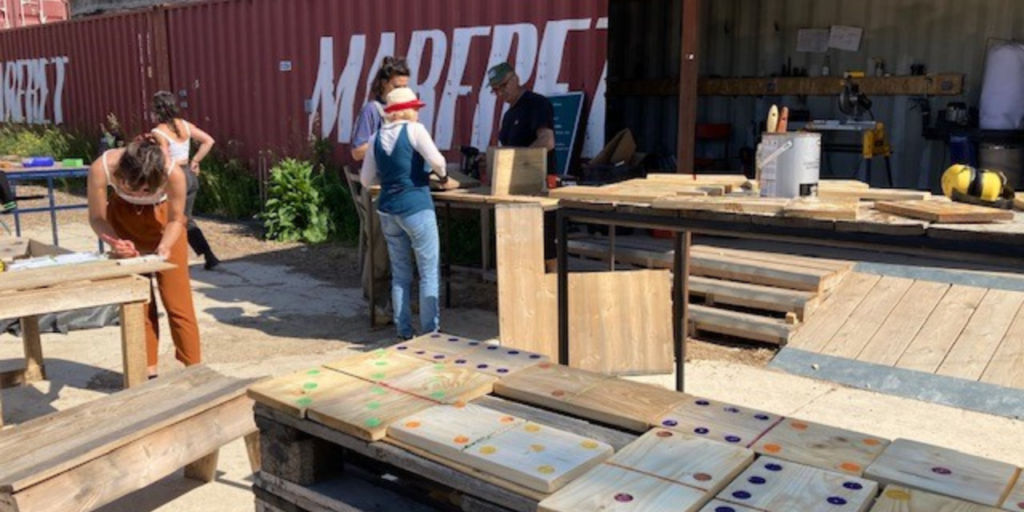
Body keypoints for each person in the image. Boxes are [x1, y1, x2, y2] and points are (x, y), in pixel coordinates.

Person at [87, 135, 201, 378]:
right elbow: (97, 218)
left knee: (177, 302)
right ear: (121, 175)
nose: (139, 194)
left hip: (165, 224)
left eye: (147, 190)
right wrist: (115, 242)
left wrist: (165, 246)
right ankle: (147, 371)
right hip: (123, 222)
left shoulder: (175, 174)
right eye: (132, 188)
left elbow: (177, 219)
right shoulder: (102, 167)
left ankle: (194, 369)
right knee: (138, 302)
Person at [360, 87, 447, 340]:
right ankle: (431, 332)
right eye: (415, 109)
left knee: (400, 274)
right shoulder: (414, 130)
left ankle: (403, 330)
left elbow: (366, 179)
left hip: (388, 208)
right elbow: (438, 161)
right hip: (416, 205)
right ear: (407, 110)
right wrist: (441, 176)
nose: (418, 114)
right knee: (428, 272)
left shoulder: (376, 137)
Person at [352, 57, 411, 325]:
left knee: (400, 248)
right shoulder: (372, 111)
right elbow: (357, 151)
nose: (402, 91)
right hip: (377, 189)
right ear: (384, 84)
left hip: (401, 188)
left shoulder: (403, 109)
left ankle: (398, 302)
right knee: (379, 249)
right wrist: (385, 143)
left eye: (406, 86)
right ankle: (376, 304)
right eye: (398, 85)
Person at [150, 91, 219, 270]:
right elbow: (208, 141)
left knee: (172, 218)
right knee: (185, 218)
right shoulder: (185, 125)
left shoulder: (158, 131)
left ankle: (171, 257)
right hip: (189, 173)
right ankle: (208, 255)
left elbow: (165, 159)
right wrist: (195, 160)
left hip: (174, 176)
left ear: (157, 111)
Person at [487, 62, 556, 173]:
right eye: (495, 90)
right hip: (515, 180)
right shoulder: (508, 116)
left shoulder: (537, 103)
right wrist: (490, 158)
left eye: (503, 85)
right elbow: (509, 150)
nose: (500, 93)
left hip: (538, 181)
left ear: (515, 79)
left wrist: (519, 160)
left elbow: (547, 141)